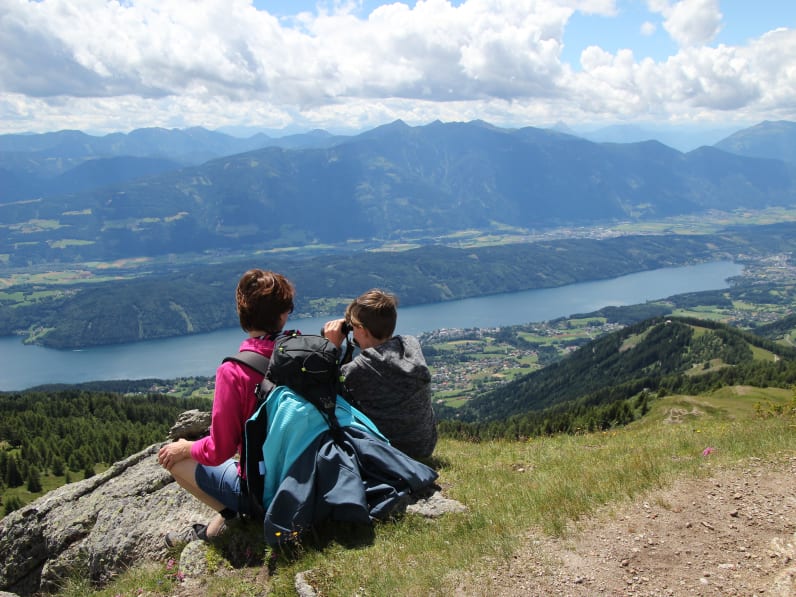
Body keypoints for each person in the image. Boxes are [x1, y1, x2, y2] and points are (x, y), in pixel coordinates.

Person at [158, 268, 296, 544]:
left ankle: (235, 517)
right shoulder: (302, 353)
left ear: (243, 313)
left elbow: (220, 451)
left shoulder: (235, 371)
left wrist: (185, 447)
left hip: (266, 490)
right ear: (283, 315)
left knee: (175, 459)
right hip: (308, 475)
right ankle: (228, 519)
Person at [322, 289, 437, 459]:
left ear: (361, 329)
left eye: (353, 327)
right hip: (424, 447)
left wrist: (330, 347)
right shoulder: (410, 346)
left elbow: (327, 395)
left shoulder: (357, 370)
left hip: (388, 452)